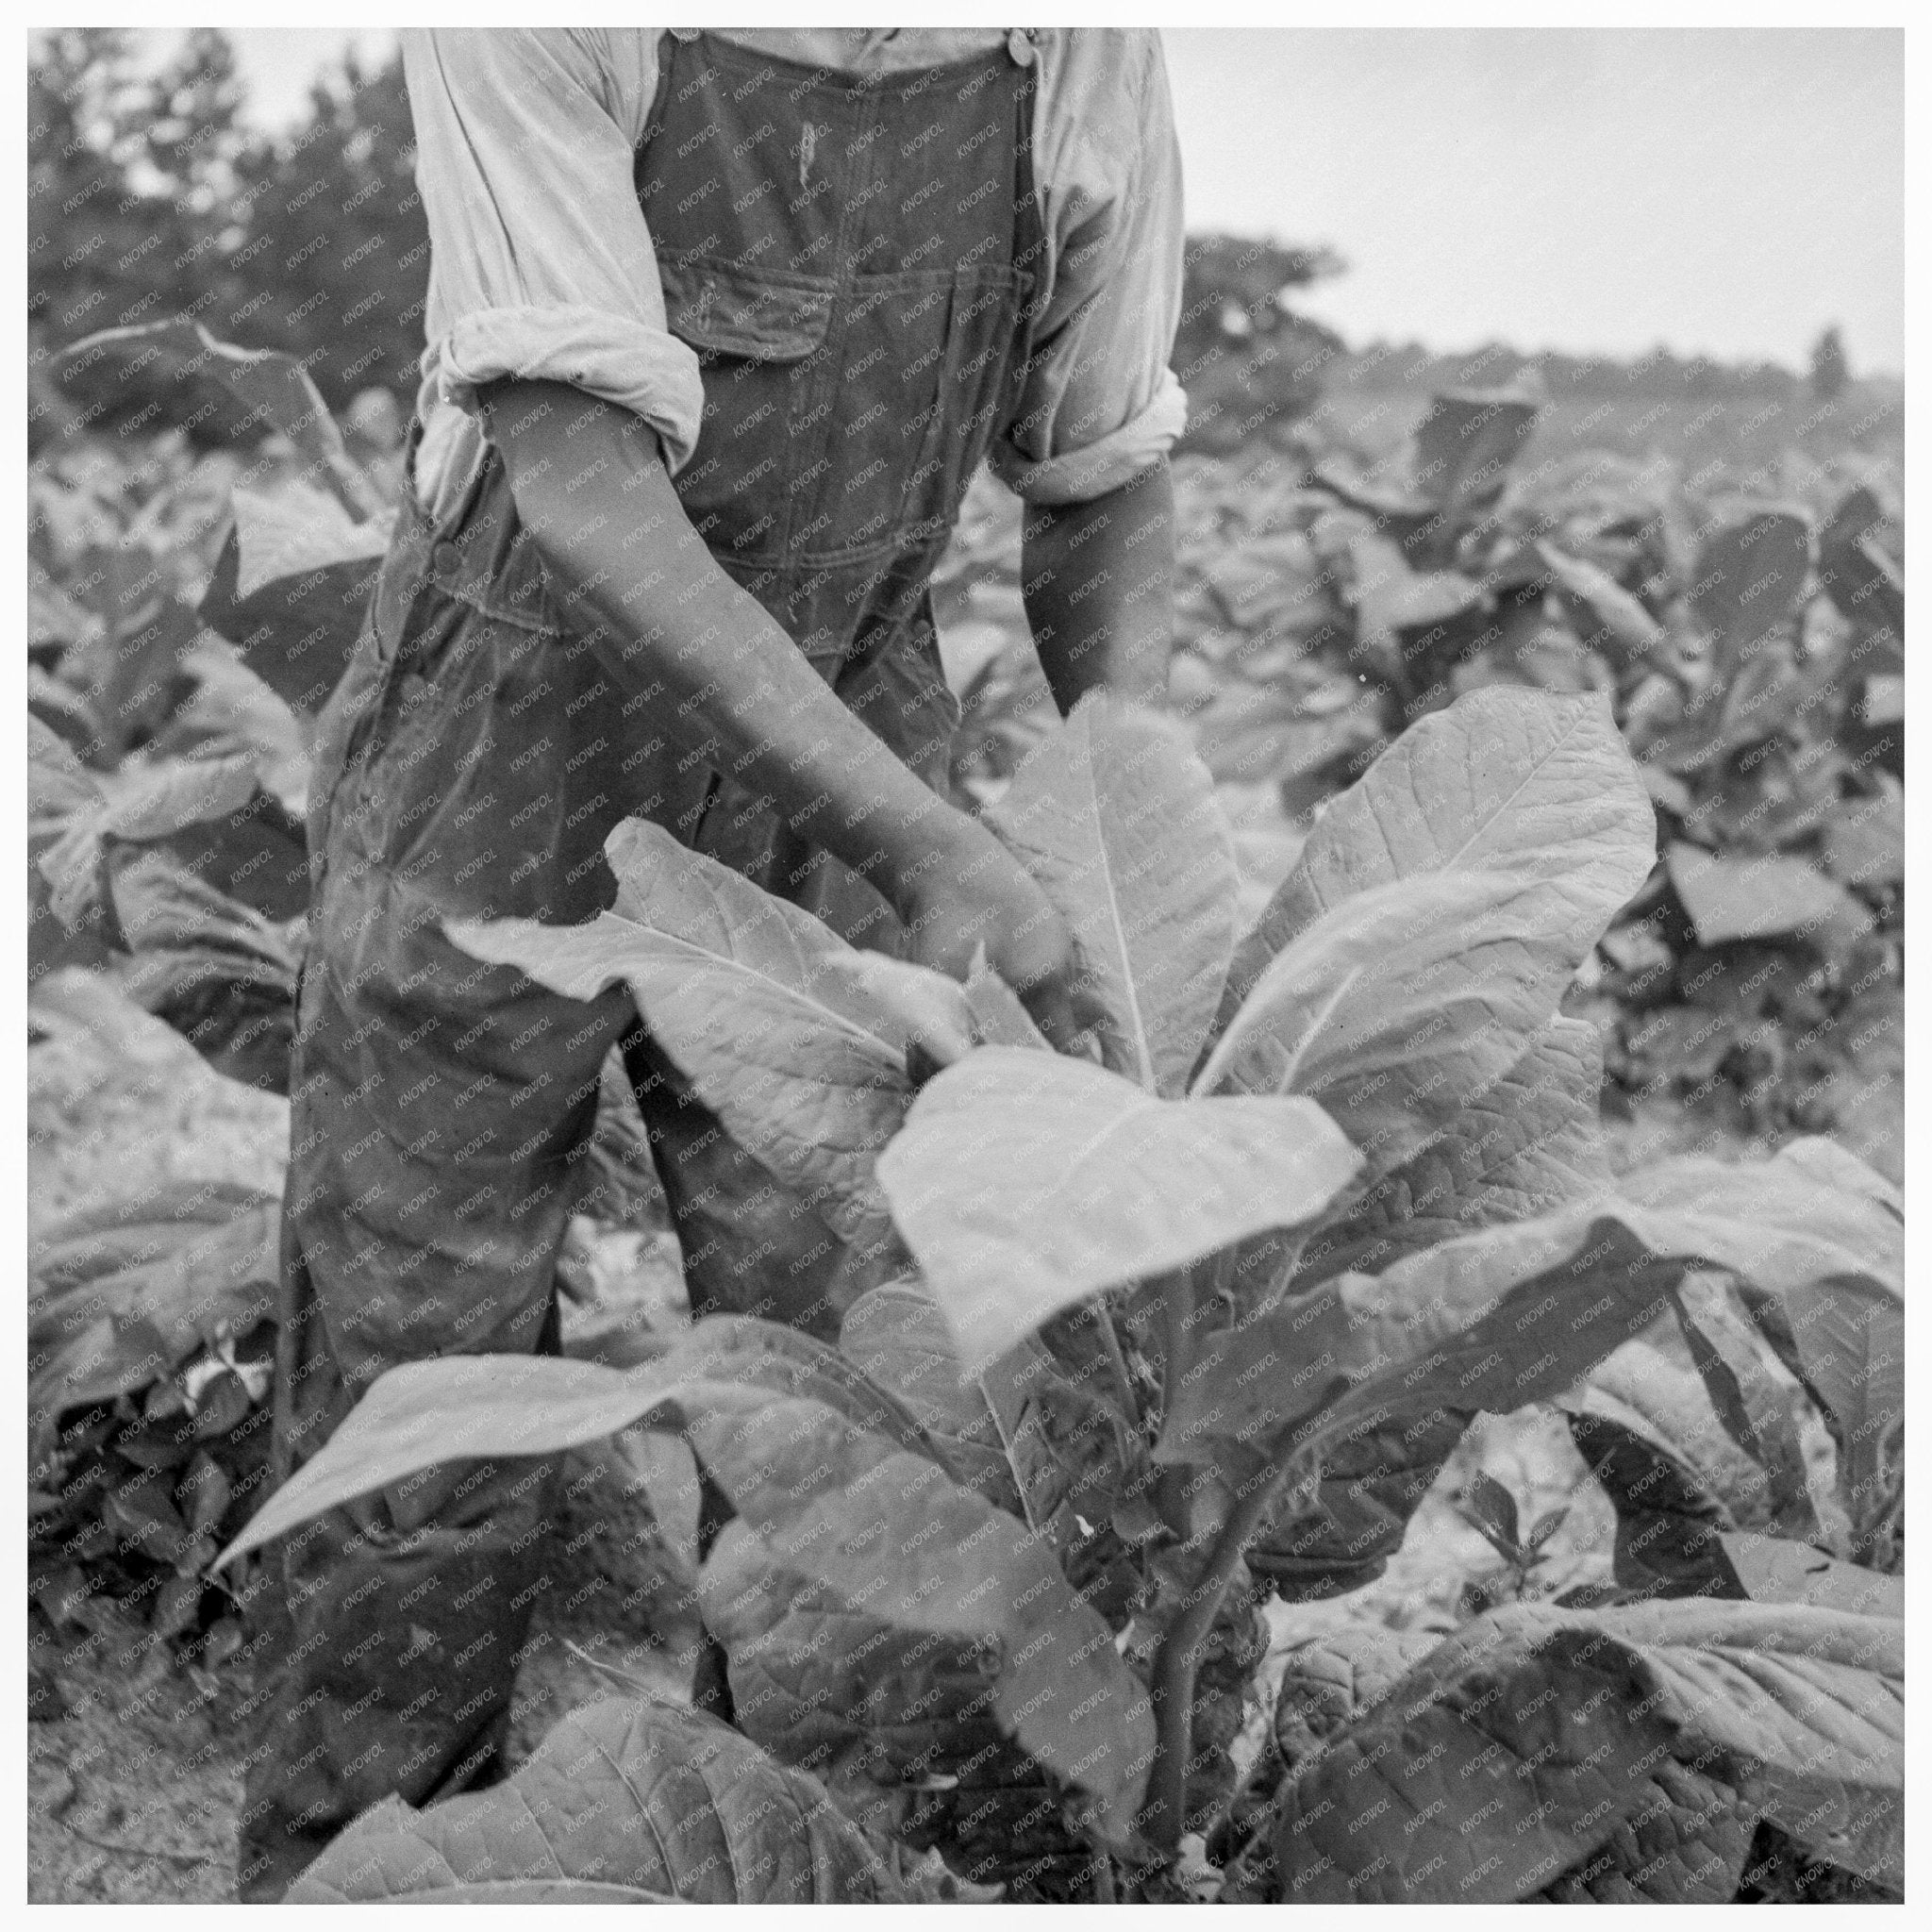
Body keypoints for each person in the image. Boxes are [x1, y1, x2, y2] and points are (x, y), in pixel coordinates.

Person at [238, 25, 1187, 1899]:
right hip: (505, 728)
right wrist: (932, 847)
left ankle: (767, 1872)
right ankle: (365, 1877)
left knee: (870, 1391)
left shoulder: (1070, 37)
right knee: (418, 1379)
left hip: (840, 713)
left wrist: (1121, 856)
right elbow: (579, 482)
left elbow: (1096, 469)